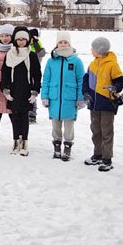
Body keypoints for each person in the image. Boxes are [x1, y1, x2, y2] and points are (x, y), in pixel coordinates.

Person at [40, 31, 85, 161]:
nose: (63, 44)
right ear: (57, 44)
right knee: (56, 124)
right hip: (54, 98)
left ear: (69, 43)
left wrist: (80, 97)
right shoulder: (51, 61)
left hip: (69, 99)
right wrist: (45, 96)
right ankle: (57, 145)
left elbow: (81, 80)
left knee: (69, 125)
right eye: (60, 42)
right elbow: (46, 79)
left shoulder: (76, 61)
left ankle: (68, 146)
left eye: (65, 42)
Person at [82, 36, 123, 171]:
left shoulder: (112, 64)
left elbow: (120, 81)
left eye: (93, 48)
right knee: (95, 130)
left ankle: (107, 159)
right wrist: (86, 93)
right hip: (94, 103)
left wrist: (115, 88)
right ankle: (98, 154)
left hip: (106, 103)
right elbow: (85, 80)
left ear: (99, 49)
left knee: (106, 131)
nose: (91, 50)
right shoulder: (92, 64)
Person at [1, 26, 42, 155]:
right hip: (13, 91)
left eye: (24, 39)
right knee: (14, 116)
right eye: (18, 39)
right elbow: (5, 74)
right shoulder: (10, 54)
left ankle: (24, 141)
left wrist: (35, 91)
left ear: (28, 40)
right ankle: (15, 140)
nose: (21, 41)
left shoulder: (32, 55)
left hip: (26, 91)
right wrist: (5, 90)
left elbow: (37, 75)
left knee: (24, 116)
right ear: (15, 40)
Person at [28, 28, 47, 124]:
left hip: (34, 73)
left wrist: (35, 42)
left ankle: (32, 114)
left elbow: (41, 54)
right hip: (25, 72)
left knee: (32, 93)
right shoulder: (26, 43)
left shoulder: (37, 44)